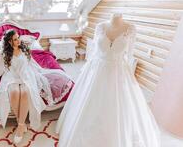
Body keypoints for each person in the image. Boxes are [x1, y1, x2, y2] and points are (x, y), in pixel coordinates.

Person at [56, 14, 161, 147]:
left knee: (119, 104)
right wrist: (87, 70)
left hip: (118, 70)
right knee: (90, 101)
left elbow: (130, 54)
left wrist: (129, 78)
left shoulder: (130, 28)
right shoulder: (100, 26)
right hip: (97, 68)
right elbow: (94, 51)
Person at [0, 29, 72, 144]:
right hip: (11, 75)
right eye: (15, 39)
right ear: (9, 42)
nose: (18, 40)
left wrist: (39, 71)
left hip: (26, 74)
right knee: (13, 92)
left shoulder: (25, 49)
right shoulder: (4, 52)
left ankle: (20, 126)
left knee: (24, 92)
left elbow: (32, 63)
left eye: (18, 37)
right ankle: (21, 123)